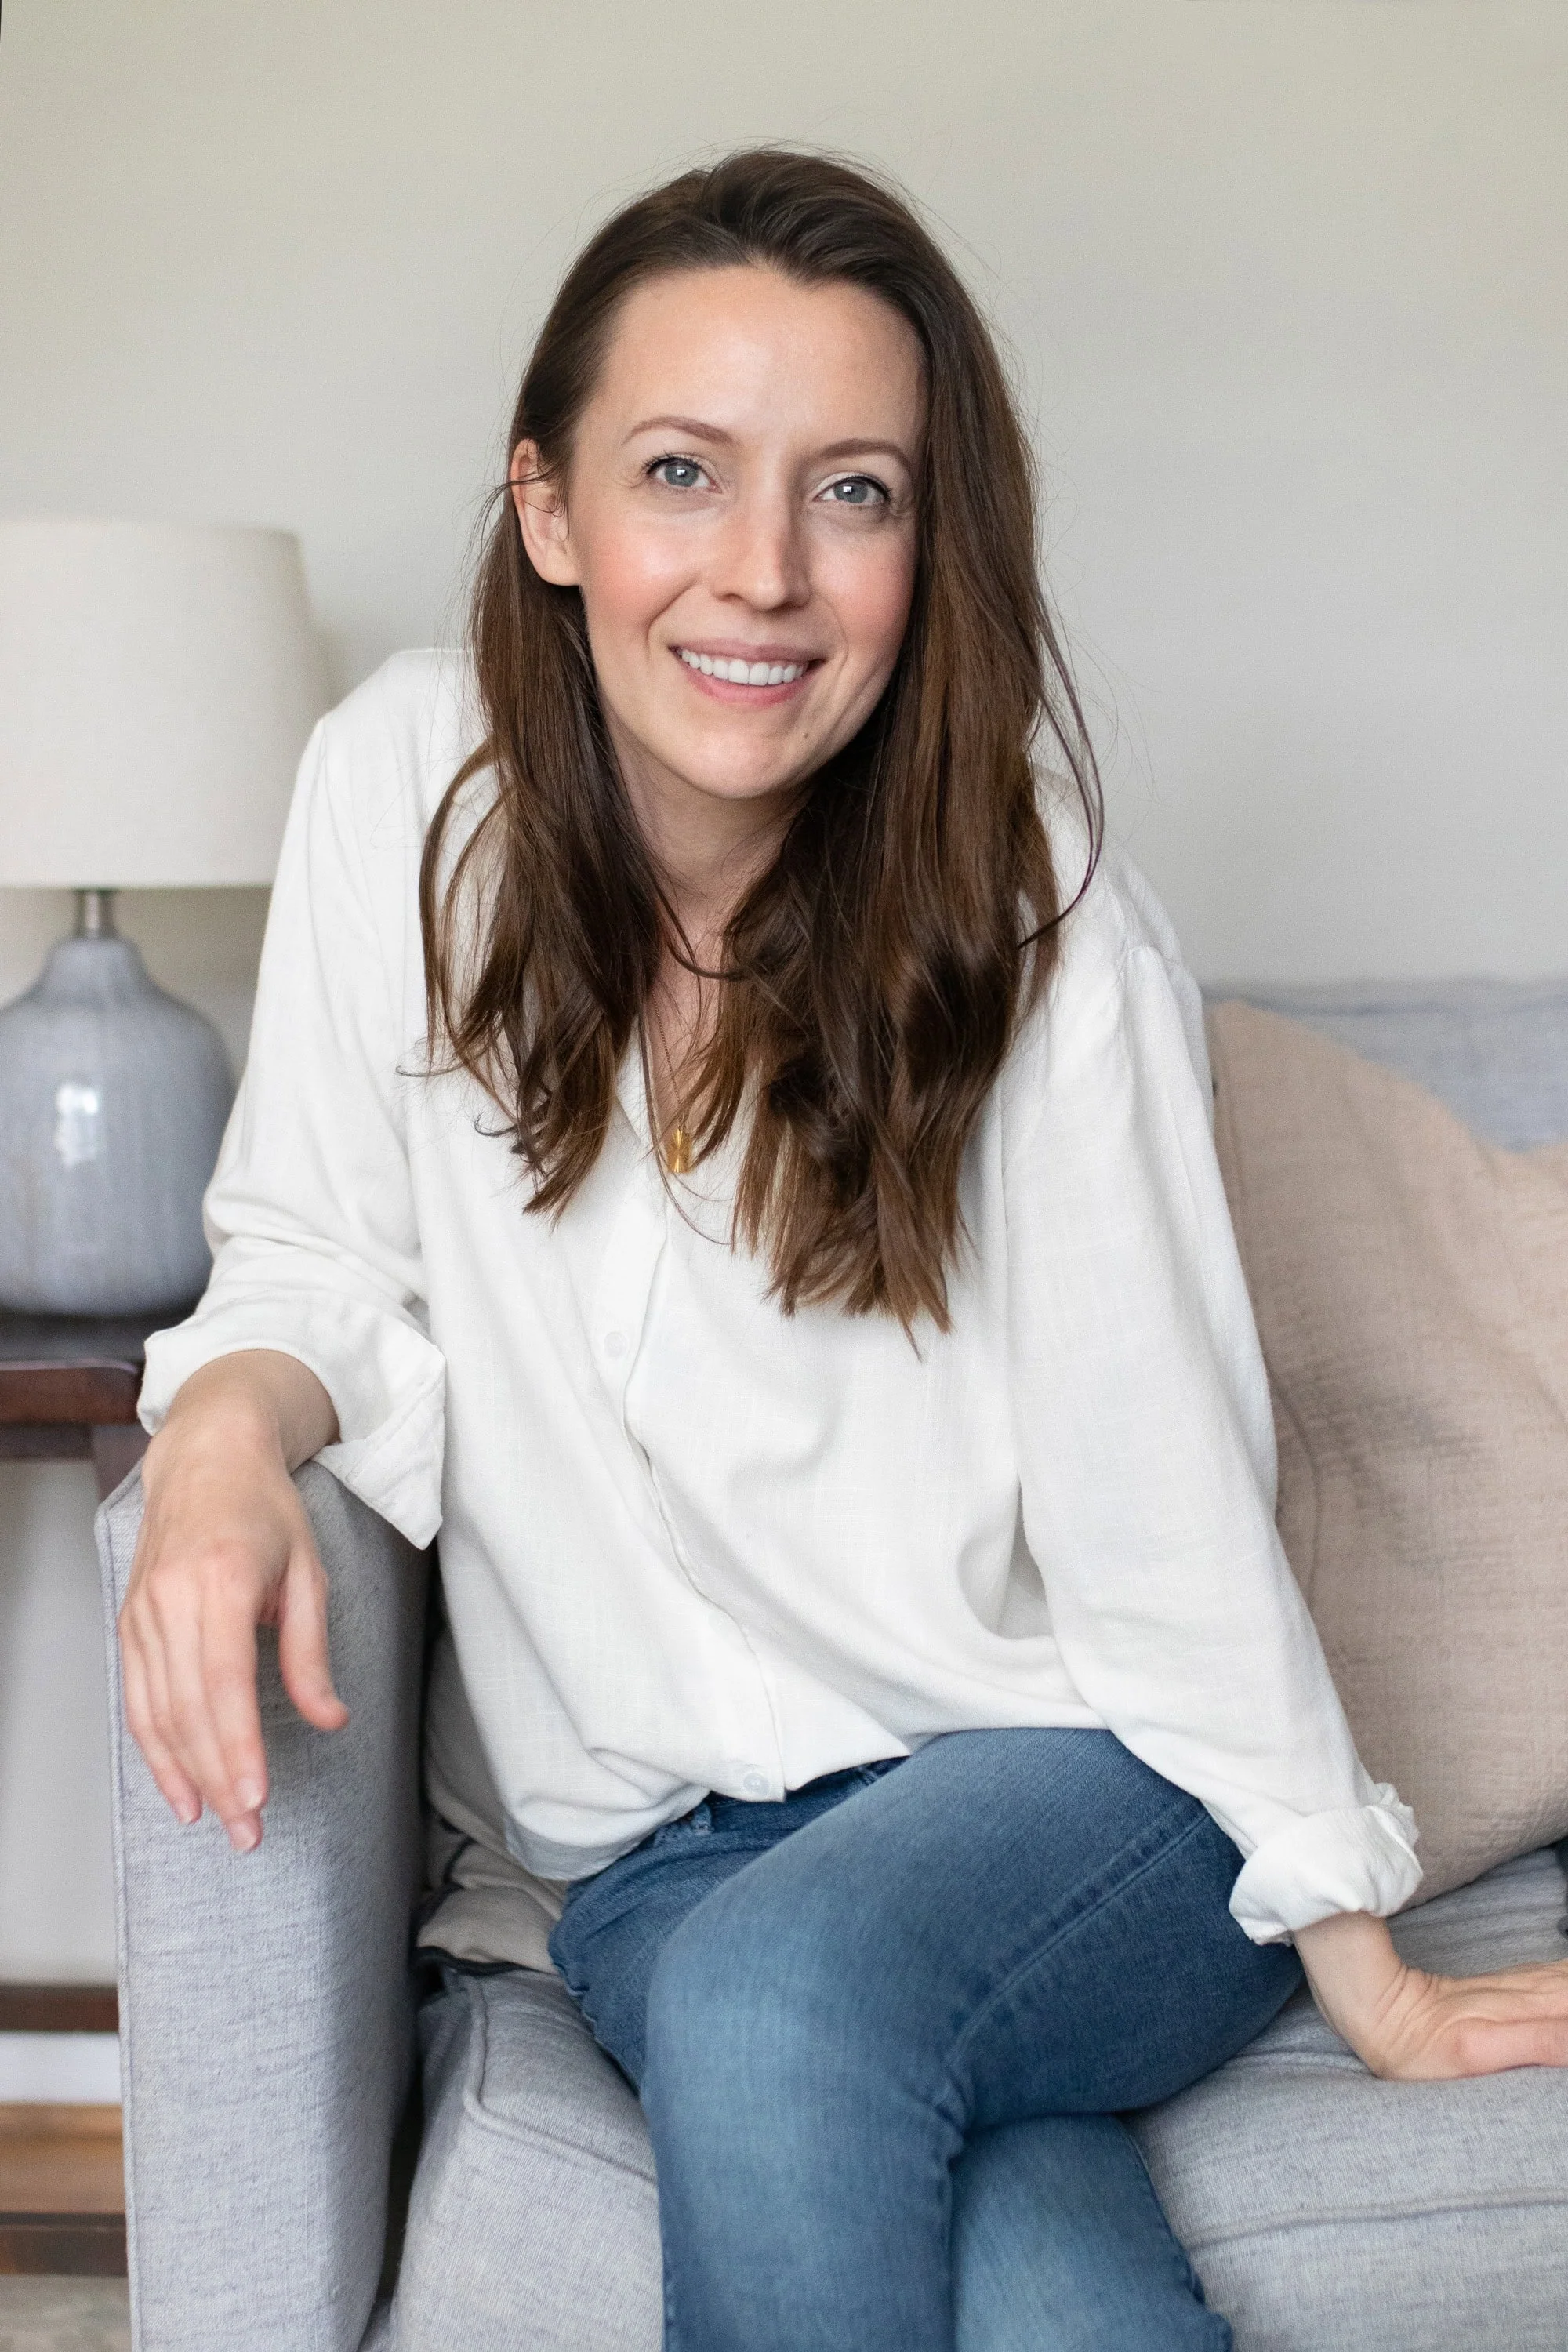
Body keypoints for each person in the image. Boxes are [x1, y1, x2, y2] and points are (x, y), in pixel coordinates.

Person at [120, 151, 1568, 2350]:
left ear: (931, 541)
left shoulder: (1035, 913)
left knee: (798, 2000)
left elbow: (1158, 1483)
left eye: (858, 494)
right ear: (547, 510)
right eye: (682, 473)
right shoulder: (405, 791)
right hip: (663, 1854)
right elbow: (314, 1245)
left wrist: (1354, 1947)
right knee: (1037, 2285)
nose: (765, 575)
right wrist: (225, 1439)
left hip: (1084, 1801)